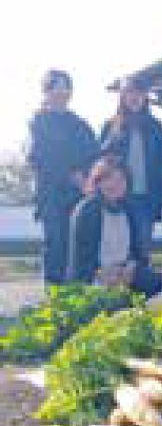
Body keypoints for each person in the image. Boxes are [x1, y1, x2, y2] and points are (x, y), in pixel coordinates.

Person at [26, 69, 98, 284]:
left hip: (80, 194)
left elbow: (93, 154)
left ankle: (77, 292)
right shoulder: (38, 122)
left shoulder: (80, 123)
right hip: (52, 196)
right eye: (56, 88)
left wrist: (88, 178)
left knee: (76, 246)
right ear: (46, 92)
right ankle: (55, 296)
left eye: (66, 88)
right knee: (55, 245)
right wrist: (71, 175)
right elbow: (42, 158)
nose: (62, 93)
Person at [68, 155, 162, 299]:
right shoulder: (87, 210)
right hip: (96, 274)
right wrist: (102, 273)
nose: (116, 184)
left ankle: (124, 302)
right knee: (98, 294)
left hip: (123, 272)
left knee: (154, 281)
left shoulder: (132, 210)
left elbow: (139, 254)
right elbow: (82, 260)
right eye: (109, 179)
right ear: (98, 182)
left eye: (121, 180)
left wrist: (130, 267)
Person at [100, 76, 162, 259]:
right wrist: (112, 138)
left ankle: (140, 286)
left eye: (139, 92)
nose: (134, 96)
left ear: (146, 95)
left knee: (142, 249)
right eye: (129, 91)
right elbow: (101, 163)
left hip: (146, 198)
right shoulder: (111, 125)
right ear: (122, 96)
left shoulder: (157, 127)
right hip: (118, 198)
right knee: (117, 250)